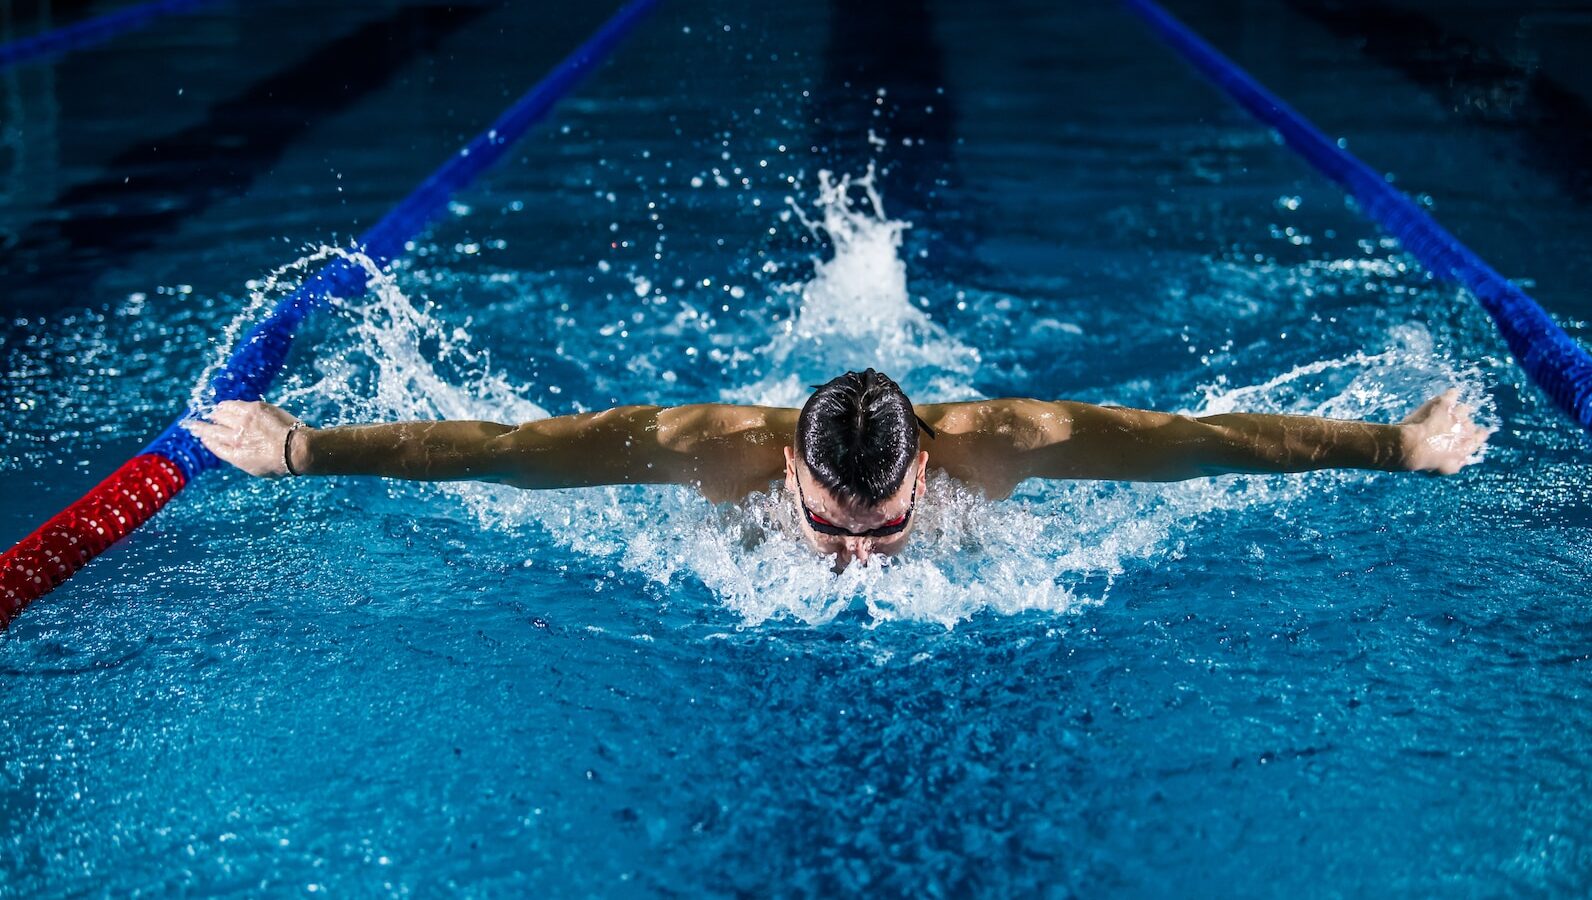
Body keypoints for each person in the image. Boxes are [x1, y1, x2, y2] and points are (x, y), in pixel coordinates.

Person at [183, 369, 1489, 570]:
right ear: (787, 471)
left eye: (880, 525)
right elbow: (512, 457)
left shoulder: (1011, 442)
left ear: (929, 460)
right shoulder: (708, 451)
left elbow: (1203, 443)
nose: (855, 557)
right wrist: (302, 449)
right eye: (829, 521)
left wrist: (1395, 446)